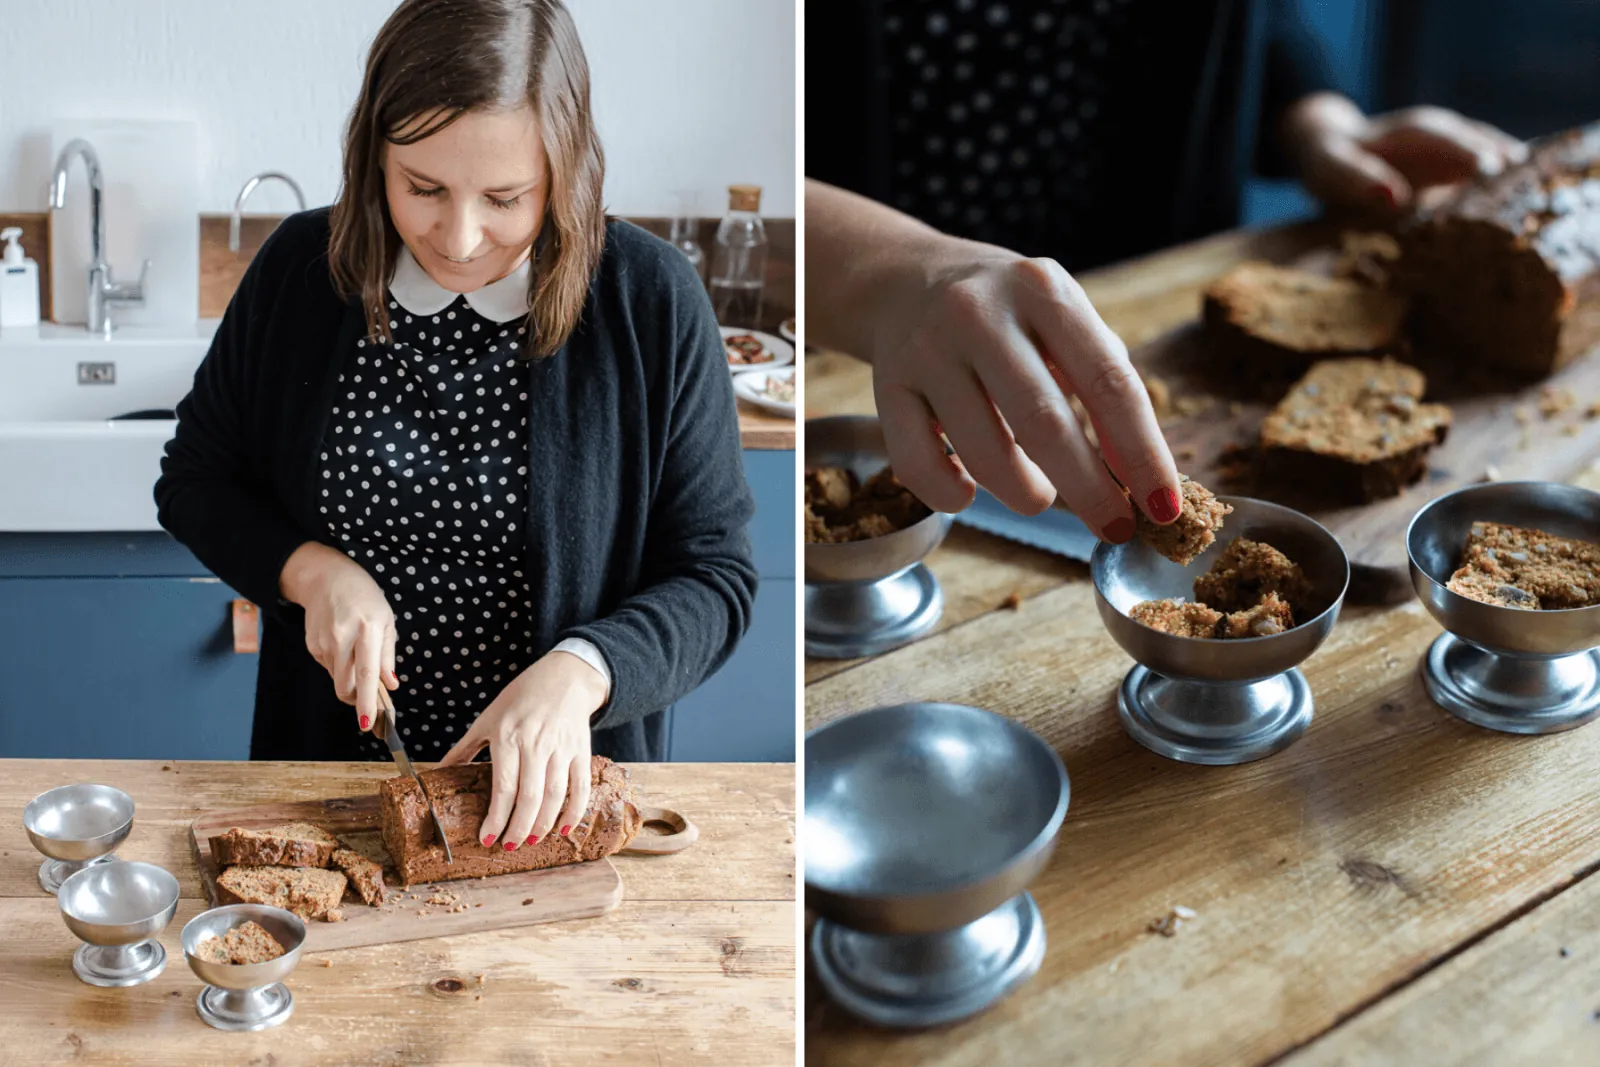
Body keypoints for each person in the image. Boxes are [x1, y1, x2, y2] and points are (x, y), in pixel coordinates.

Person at [155, 0, 756, 852]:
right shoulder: (299, 272)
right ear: (375, 157)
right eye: (423, 189)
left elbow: (715, 578)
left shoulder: (650, 301)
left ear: (565, 171)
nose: (461, 236)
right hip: (332, 795)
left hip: (558, 810)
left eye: (506, 198)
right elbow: (194, 480)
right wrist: (309, 572)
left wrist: (585, 670)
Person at [806, 0, 1524, 541]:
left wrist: (1321, 125)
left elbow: (1251, 20)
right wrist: (887, 273)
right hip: (830, 339)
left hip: (1156, 287)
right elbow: (695, 130)